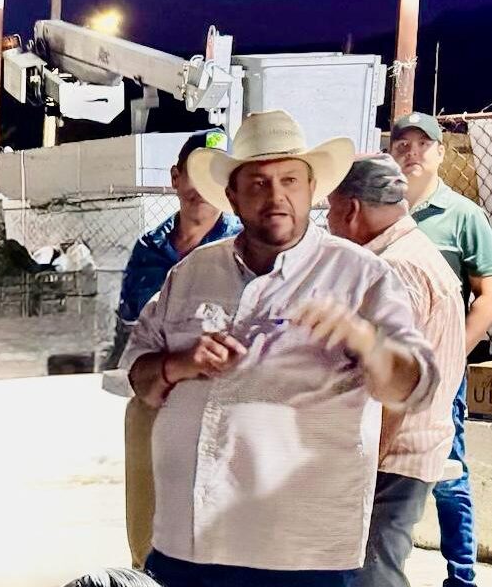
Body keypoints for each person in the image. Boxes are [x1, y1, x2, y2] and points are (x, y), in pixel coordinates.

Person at [120, 110, 439, 587]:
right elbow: (138, 375)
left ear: (312, 190)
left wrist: (366, 342)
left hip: (299, 554)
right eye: (258, 183)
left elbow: (415, 386)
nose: (276, 196)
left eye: (290, 180)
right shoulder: (191, 273)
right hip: (186, 545)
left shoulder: (361, 276)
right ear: (232, 196)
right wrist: (177, 365)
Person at [327, 154, 465, 587]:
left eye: (330, 208)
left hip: (392, 455)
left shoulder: (396, 267)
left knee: (372, 574)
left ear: (351, 209)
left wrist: (368, 461)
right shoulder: (415, 251)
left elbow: (394, 383)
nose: (327, 221)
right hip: (409, 446)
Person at [107, 129, 242, 568]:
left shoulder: (245, 249)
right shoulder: (149, 248)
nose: (202, 186)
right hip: (153, 401)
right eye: (194, 172)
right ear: (175, 177)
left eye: (214, 174)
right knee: (147, 537)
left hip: (219, 409)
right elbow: (129, 325)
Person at [389, 112, 492, 587]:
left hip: (439, 375)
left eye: (422, 144)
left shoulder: (464, 216)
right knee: (382, 471)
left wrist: (451, 358)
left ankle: (462, 577)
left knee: (447, 474)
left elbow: (486, 296)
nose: (411, 152)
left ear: (441, 153)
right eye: (402, 145)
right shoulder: (381, 209)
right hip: (383, 372)